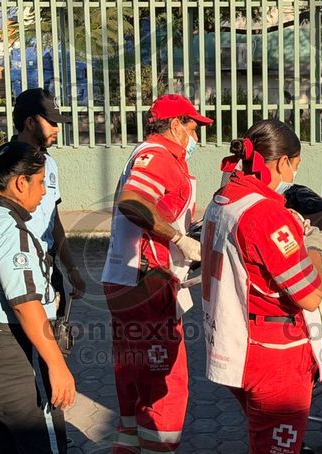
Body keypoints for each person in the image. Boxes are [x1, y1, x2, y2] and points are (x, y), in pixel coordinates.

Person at [200, 119, 322, 454]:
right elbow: (310, 296)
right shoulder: (265, 213)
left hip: (238, 343)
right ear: (283, 162)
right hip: (276, 356)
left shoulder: (223, 198)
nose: (294, 174)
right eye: (295, 166)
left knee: (264, 440)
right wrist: (313, 247)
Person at [101, 94, 212, 453]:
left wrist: (187, 233)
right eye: (193, 127)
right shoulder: (159, 156)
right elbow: (134, 202)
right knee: (164, 384)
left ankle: (130, 446)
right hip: (146, 282)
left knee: (134, 378)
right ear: (176, 124)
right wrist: (179, 239)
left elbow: (158, 209)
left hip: (131, 279)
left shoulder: (153, 154)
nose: (195, 137)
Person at [0, 141, 76, 453]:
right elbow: (25, 305)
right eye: (41, 183)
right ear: (21, 183)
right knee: (41, 443)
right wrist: (57, 365)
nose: (44, 192)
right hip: (8, 352)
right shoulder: (10, 230)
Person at [12, 88, 86, 321]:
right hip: (17, 265)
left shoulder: (49, 164)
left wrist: (71, 268)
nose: (57, 129)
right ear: (30, 122)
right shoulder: (6, 163)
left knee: (56, 334)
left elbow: (53, 220)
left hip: (48, 264)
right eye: (51, 122)